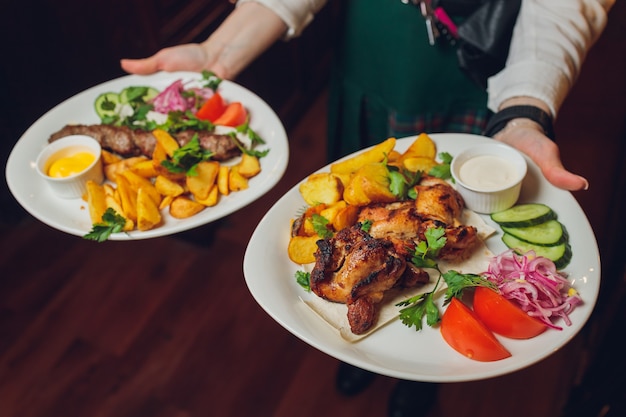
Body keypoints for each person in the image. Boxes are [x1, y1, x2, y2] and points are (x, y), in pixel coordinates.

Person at [121, 1, 614, 416]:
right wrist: (221, 48)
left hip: (490, 69)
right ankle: (361, 358)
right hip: (377, 51)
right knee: (365, 214)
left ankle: (419, 380)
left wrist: (525, 110)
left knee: (437, 279)